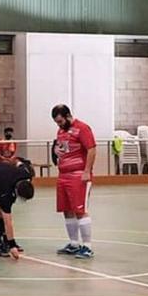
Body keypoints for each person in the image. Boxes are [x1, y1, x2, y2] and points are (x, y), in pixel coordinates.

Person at [52, 104, 97, 260]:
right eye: (57, 123)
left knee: (80, 210)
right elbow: (62, 148)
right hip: (63, 174)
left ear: (68, 116)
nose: (59, 125)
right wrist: (57, 151)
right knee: (66, 209)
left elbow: (91, 149)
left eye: (60, 121)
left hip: (78, 175)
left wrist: (86, 171)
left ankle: (87, 246)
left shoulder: (83, 128)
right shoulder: (61, 131)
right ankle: (73, 243)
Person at [0, 158, 35, 259]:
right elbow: (8, 221)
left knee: (4, 211)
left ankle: (6, 240)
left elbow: (19, 161)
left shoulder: (26, 173)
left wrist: (12, 162)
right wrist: (12, 245)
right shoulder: (6, 192)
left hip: (2, 174)